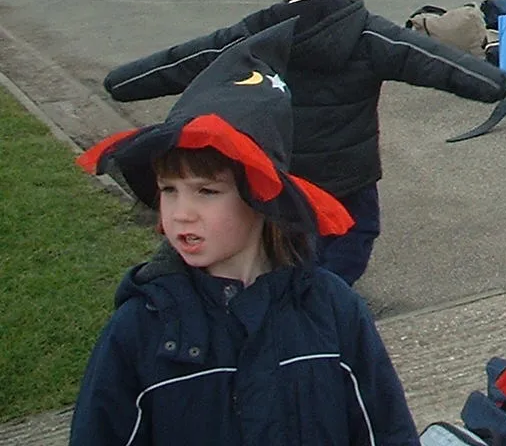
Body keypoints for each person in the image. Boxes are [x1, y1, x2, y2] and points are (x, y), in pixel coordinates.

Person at [74, 27, 419, 446]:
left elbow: (385, 429)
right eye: (169, 190)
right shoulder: (138, 333)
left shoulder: (332, 311)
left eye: (207, 191)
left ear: (262, 198)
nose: (182, 214)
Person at [103, 0, 506, 288]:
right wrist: (494, 83)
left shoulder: (253, 36)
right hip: (348, 175)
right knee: (351, 241)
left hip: (280, 176)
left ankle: (290, 298)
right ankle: (327, 302)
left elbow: (181, 62)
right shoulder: (369, 33)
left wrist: (121, 82)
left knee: (282, 245)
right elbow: (434, 60)